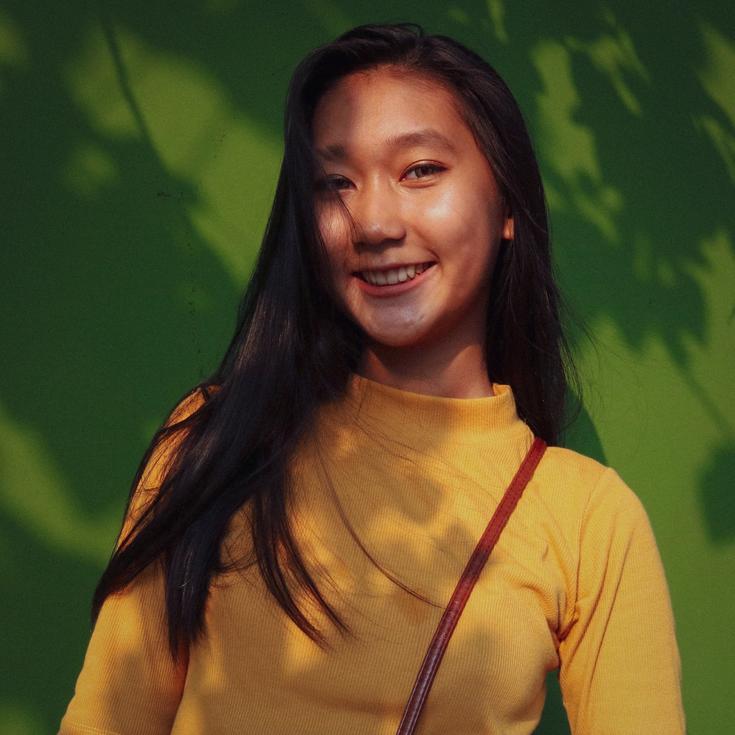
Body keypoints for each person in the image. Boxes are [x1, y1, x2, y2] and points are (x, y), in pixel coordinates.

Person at [59, 22, 685, 734]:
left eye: (421, 170)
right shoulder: (217, 440)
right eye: (335, 183)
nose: (374, 223)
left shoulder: (588, 515)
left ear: (507, 204)